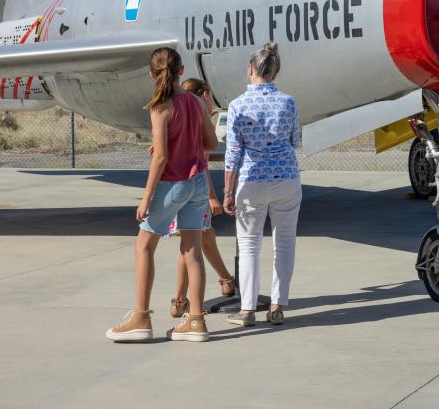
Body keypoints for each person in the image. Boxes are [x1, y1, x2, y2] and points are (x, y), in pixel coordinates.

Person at [106, 47, 218, 343]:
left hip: (173, 183)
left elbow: (161, 158)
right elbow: (212, 142)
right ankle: (195, 320)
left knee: (144, 245)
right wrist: (191, 149)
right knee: (192, 250)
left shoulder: (160, 106)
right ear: (182, 71)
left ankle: (141, 316)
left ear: (151, 75)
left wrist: (146, 199)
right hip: (198, 184)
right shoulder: (195, 101)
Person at [222, 42, 301, 327]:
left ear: (250, 69)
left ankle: (247, 309)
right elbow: (294, 141)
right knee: (285, 243)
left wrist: (228, 192)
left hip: (252, 179)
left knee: (249, 244)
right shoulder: (289, 102)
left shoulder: (237, 106)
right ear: (276, 71)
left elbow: (233, 153)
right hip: (286, 177)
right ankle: (278, 305)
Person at [168, 78, 235, 318]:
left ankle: (225, 280)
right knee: (192, 245)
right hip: (195, 189)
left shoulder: (177, 113)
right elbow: (202, 163)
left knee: (201, 238)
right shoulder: (199, 118)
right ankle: (183, 302)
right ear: (205, 94)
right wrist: (213, 196)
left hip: (175, 186)